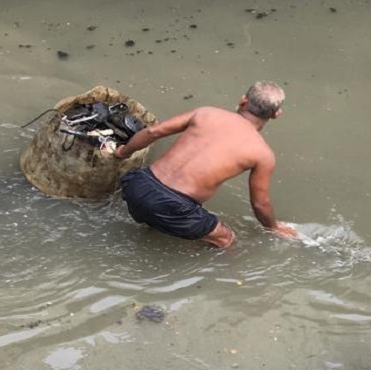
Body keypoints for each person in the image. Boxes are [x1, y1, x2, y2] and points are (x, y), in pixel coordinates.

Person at [114, 81, 297, 247]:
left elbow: (153, 132)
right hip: (173, 205)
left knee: (158, 211)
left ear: (243, 101)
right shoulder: (262, 154)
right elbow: (260, 204)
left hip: (136, 185)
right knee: (226, 239)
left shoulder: (206, 113)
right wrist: (273, 227)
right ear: (276, 114)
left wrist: (122, 152)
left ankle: (153, 223)